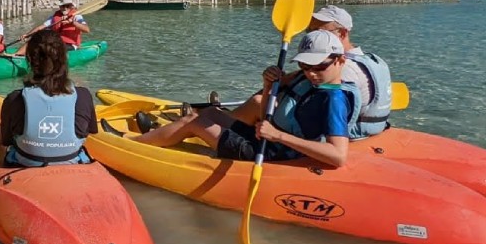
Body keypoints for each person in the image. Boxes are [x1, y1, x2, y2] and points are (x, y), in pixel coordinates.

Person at [134, 30, 358, 167]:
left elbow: (338, 156)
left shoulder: (333, 100)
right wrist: (268, 86)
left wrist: (278, 135)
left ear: (340, 61)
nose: (311, 72)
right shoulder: (306, 79)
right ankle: (165, 136)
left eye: (319, 66)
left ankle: (132, 147)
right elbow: (265, 120)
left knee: (195, 121)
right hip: (267, 141)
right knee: (210, 113)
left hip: (273, 155)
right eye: (304, 65)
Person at [227, 5, 393, 139]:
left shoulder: (342, 69)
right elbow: (295, 81)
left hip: (344, 133)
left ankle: (224, 127)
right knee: (274, 91)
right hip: (371, 127)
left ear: (342, 33)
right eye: (310, 31)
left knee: (258, 101)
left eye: (320, 31)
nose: (313, 36)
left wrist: (273, 89)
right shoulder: (371, 60)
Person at [0, 30, 98, 167]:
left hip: (24, 166)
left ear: (29, 60)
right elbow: (89, 132)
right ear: (64, 59)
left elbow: (6, 141)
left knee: (5, 150)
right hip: (72, 164)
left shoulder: (14, 99)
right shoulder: (83, 96)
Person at [18, 0, 90, 51]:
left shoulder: (77, 16)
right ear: (59, 6)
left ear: (71, 6)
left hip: (71, 44)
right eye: (63, 6)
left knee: (51, 47)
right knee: (35, 39)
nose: (65, 8)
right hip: (56, 42)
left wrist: (73, 23)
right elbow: (40, 27)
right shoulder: (54, 17)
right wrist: (27, 35)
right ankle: (17, 55)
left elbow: (87, 30)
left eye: (67, 6)